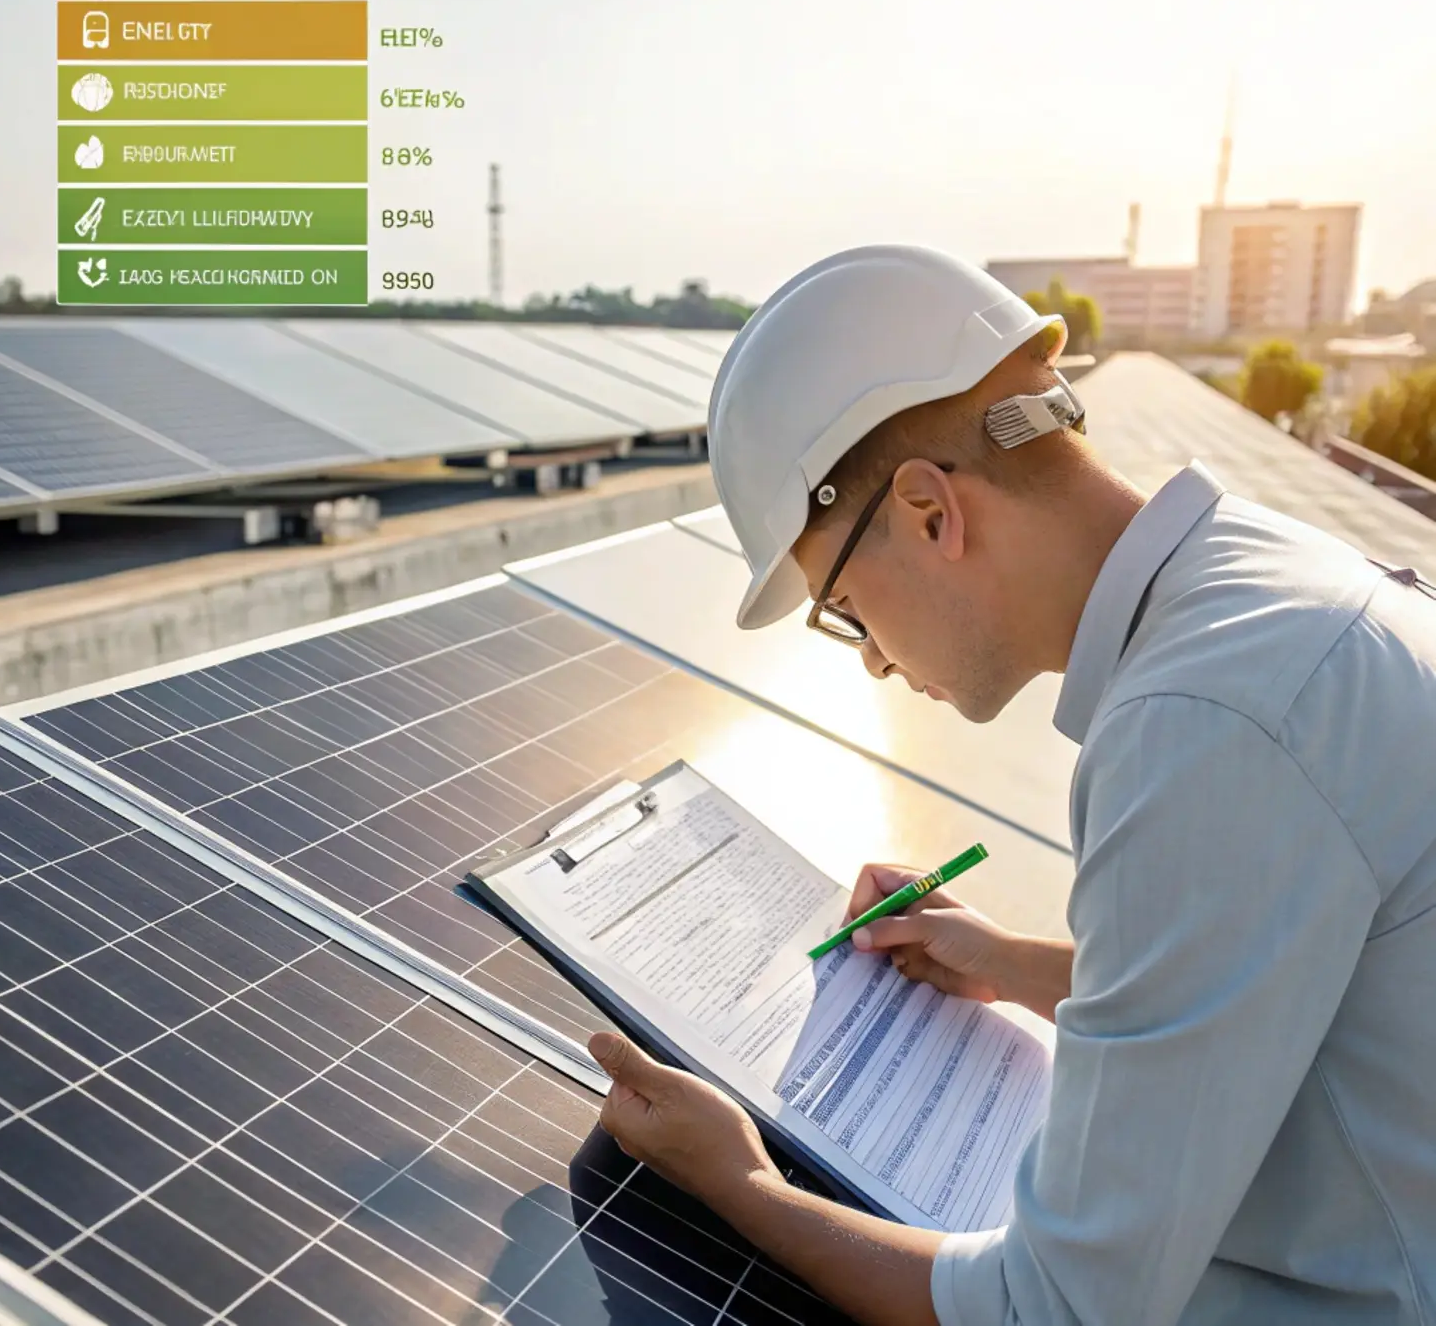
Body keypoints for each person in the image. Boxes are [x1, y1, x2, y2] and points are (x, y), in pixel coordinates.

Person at [584, 245, 1436, 1325]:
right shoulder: (1265, 591)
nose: (875, 661)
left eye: (844, 606)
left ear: (932, 512)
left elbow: (1054, 1310)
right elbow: (1285, 977)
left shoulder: (1203, 726)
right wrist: (1009, 965)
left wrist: (738, 1182)